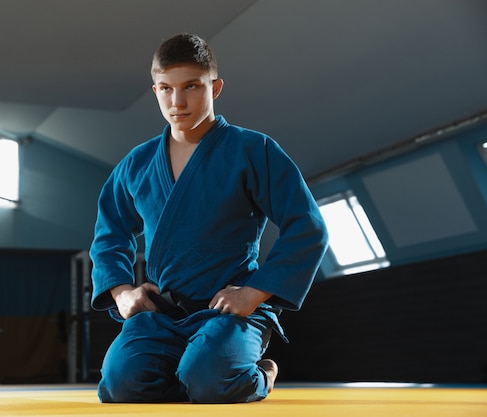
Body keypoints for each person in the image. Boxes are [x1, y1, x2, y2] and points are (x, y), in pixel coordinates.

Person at [89, 33, 328, 403]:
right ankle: (189, 373)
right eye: (166, 88)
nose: (177, 101)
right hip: (162, 313)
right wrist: (122, 292)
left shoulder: (253, 150)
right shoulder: (136, 164)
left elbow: (307, 227)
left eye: (191, 86)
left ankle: (261, 374)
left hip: (231, 312)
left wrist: (253, 293)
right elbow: (110, 233)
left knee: (210, 381)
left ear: (214, 87)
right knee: (121, 386)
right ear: (155, 91)